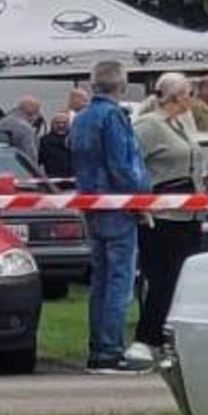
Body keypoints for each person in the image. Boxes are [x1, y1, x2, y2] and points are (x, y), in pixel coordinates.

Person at [69, 60, 154, 370]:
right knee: (119, 281)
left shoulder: (81, 117)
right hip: (118, 205)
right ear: (122, 85)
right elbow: (123, 164)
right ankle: (110, 350)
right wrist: (140, 198)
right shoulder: (114, 116)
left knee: (100, 280)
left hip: (92, 204)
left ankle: (98, 347)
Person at [133, 72, 208, 353]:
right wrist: (141, 202)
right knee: (163, 278)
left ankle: (169, 335)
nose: (192, 99)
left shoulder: (181, 122)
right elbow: (133, 162)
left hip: (190, 213)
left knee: (183, 278)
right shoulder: (148, 126)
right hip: (164, 215)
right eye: (189, 93)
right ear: (177, 96)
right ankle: (148, 337)